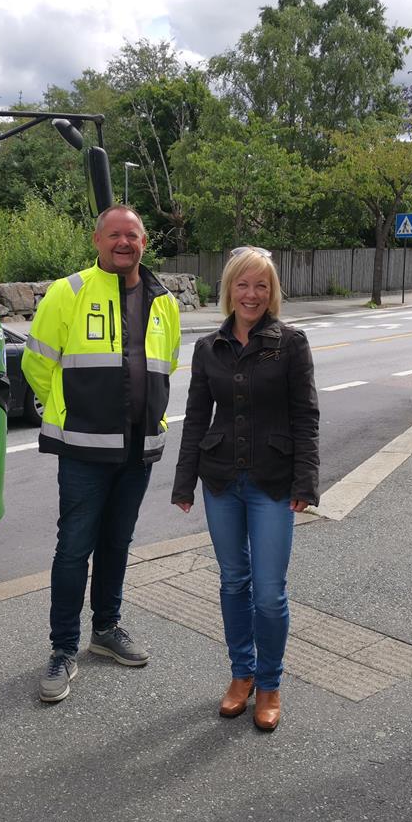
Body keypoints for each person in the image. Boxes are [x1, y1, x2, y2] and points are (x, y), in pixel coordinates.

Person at [22, 204, 181, 704]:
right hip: (83, 449)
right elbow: (37, 364)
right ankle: (63, 648)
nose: (123, 243)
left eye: (132, 235)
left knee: (117, 542)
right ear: (97, 241)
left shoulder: (163, 301)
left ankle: (106, 629)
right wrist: (70, 411)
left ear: (144, 242)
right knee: (74, 548)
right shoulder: (68, 292)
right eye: (113, 235)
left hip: (138, 447)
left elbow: (168, 364)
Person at [171, 246, 319, 731]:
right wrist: (184, 481)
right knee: (234, 581)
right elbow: (196, 417)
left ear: (271, 292)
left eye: (261, 285)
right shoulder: (208, 347)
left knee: (269, 593)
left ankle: (270, 683)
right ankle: (242, 674)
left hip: (272, 482)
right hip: (220, 480)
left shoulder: (290, 343)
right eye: (242, 284)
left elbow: (306, 416)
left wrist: (306, 480)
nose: (251, 294)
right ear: (229, 289)